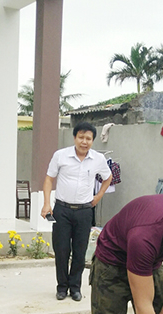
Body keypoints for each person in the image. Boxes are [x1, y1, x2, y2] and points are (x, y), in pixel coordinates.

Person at [41, 122, 112, 302]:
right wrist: (46, 203)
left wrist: (98, 196)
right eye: (81, 137)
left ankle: (75, 288)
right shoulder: (61, 156)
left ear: (93, 141)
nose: (84, 141)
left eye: (88, 138)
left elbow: (108, 177)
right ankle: (61, 287)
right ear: (75, 138)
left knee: (80, 252)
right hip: (62, 210)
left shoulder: (98, 159)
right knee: (62, 250)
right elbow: (49, 179)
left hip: (84, 212)